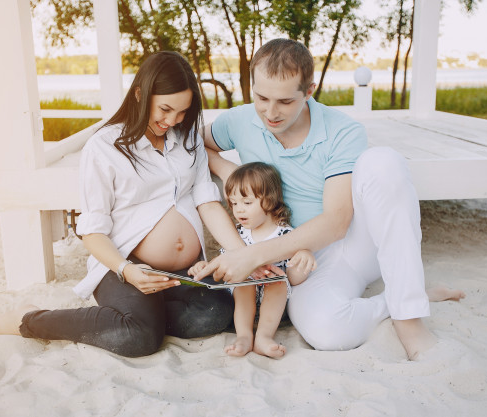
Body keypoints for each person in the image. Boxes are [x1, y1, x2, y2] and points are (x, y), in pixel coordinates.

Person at [196, 39, 465, 360]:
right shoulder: (239, 121)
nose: (270, 111)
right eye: (261, 97)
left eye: (284, 101)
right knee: (327, 331)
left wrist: (253, 256)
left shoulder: (342, 131)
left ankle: (409, 318)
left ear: (309, 90)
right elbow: (196, 142)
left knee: (383, 161)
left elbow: (337, 222)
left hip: (354, 242)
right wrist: (231, 172)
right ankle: (405, 297)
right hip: (305, 260)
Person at [0, 51, 246, 358]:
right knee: (138, 338)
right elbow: (92, 230)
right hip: (123, 266)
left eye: (182, 112)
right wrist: (127, 270)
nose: (173, 121)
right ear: (140, 93)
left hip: (184, 271)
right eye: (165, 110)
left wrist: (244, 254)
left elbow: (206, 200)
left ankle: (145, 313)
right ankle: (28, 319)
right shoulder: (104, 148)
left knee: (217, 311)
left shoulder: (188, 137)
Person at [190, 162, 315, 358]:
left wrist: (303, 257)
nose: (239, 210)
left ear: (270, 200)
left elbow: (294, 278)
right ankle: (244, 336)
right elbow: (224, 267)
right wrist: (206, 266)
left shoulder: (285, 236)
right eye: (234, 203)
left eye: (247, 203)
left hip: (273, 308)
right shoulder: (237, 236)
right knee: (243, 279)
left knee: (276, 280)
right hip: (241, 303)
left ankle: (264, 337)